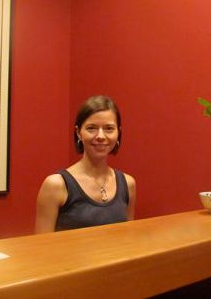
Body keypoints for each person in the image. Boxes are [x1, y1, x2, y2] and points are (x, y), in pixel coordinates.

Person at [35, 95, 136, 233]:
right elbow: (42, 247)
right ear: (78, 133)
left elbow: (129, 240)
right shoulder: (56, 185)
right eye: (91, 128)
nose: (100, 136)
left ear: (118, 132)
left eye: (109, 128)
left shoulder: (128, 184)